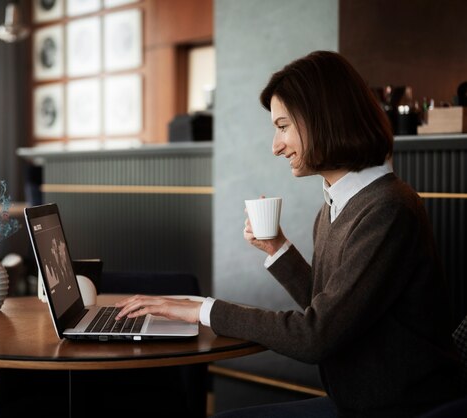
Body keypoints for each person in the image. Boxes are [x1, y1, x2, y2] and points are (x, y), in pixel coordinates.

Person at [115, 50, 461, 418]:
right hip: (360, 402)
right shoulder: (336, 204)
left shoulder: (387, 210)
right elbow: (332, 308)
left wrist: (202, 310)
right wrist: (277, 248)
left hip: (401, 409)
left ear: (322, 119)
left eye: (282, 127)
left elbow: (316, 336)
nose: (276, 146)